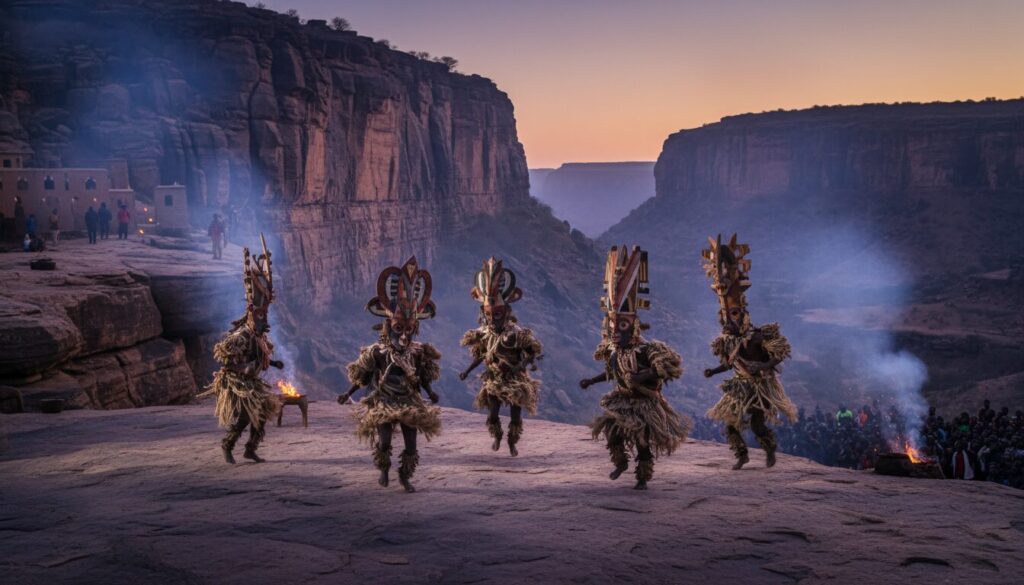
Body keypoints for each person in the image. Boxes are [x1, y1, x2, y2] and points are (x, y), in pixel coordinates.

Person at [580, 245, 690, 490]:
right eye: (612, 326)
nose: (614, 331)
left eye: (621, 325)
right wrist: (591, 380)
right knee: (614, 434)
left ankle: (642, 476)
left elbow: (665, 368)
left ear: (633, 326)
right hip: (622, 400)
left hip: (644, 404)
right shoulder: (614, 351)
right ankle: (620, 463)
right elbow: (612, 373)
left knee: (642, 440)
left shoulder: (645, 350)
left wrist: (642, 376)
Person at [338, 257, 442, 493]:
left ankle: (405, 476)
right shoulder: (377, 352)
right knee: (384, 441)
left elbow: (422, 376)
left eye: (408, 329)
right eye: (399, 329)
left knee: (412, 446)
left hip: (408, 402)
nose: (404, 335)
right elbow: (362, 376)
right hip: (384, 401)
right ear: (388, 326)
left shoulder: (417, 352)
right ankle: (384, 469)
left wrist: (430, 392)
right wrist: (347, 393)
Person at [703, 234, 797, 470]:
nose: (728, 320)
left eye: (733, 314)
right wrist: (713, 371)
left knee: (756, 425)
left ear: (743, 314)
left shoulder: (757, 336)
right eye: (725, 316)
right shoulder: (728, 341)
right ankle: (741, 455)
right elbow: (729, 363)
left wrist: (762, 366)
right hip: (739, 385)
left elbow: (779, 355)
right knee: (731, 424)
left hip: (760, 386)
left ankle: (769, 450)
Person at [197, 236, 283, 464]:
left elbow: (258, 355)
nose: (265, 321)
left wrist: (273, 363)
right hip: (238, 383)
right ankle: (228, 445)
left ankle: (249, 448)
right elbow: (227, 363)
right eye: (260, 317)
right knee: (245, 417)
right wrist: (244, 368)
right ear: (252, 317)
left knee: (262, 413)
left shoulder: (259, 336)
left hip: (251, 381)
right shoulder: (240, 337)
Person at [459, 257, 543, 456]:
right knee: (493, 412)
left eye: (497, 314)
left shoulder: (516, 333)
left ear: (506, 312)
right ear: (484, 313)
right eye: (489, 314)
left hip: (515, 379)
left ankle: (512, 442)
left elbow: (532, 353)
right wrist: (467, 371)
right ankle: (497, 436)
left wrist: (518, 365)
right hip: (494, 379)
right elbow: (481, 355)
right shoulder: (485, 333)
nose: (492, 318)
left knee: (515, 415)